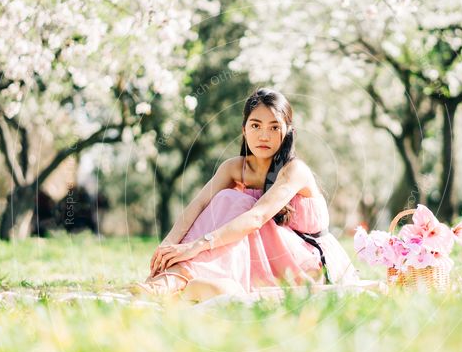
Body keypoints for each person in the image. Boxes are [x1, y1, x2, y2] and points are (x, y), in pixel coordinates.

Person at [132, 87, 360, 301]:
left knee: (236, 203)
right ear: (244, 129)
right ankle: (175, 277)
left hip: (307, 260)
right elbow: (198, 205)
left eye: (274, 127)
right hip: (263, 253)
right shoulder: (234, 168)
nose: (264, 136)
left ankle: (176, 280)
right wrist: (166, 249)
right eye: (255, 126)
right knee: (226, 200)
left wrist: (197, 245)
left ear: (287, 131)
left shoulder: (294, 170)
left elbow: (257, 217)